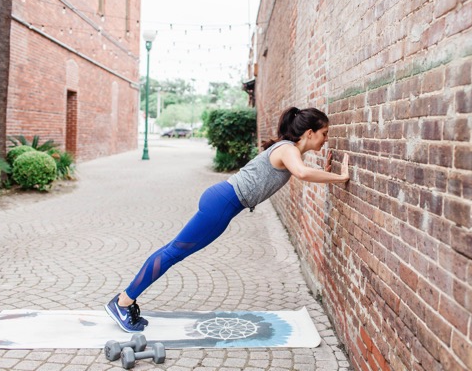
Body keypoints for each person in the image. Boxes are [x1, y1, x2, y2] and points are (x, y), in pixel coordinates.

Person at [105, 106, 350, 332]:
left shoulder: (290, 150)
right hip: (222, 204)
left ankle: (125, 301)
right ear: (309, 132)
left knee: (173, 251)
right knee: (173, 253)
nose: (326, 139)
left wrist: (327, 175)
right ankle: (123, 302)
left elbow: (303, 171)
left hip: (223, 203)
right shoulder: (288, 149)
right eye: (324, 133)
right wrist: (341, 177)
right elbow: (302, 173)